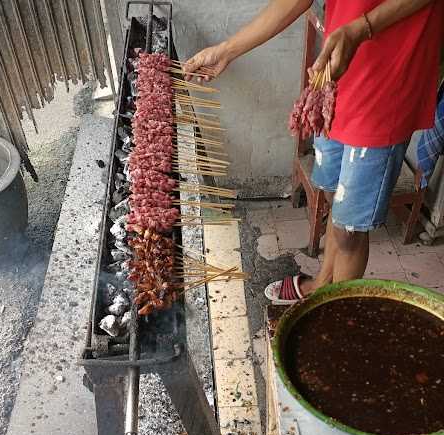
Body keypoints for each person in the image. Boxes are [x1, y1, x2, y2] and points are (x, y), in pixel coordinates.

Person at [184, 1, 443, 304]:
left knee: (350, 230)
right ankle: (323, 284)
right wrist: (227, 50)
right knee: (334, 194)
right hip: (337, 76)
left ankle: (334, 314)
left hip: (390, 79)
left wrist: (362, 28)